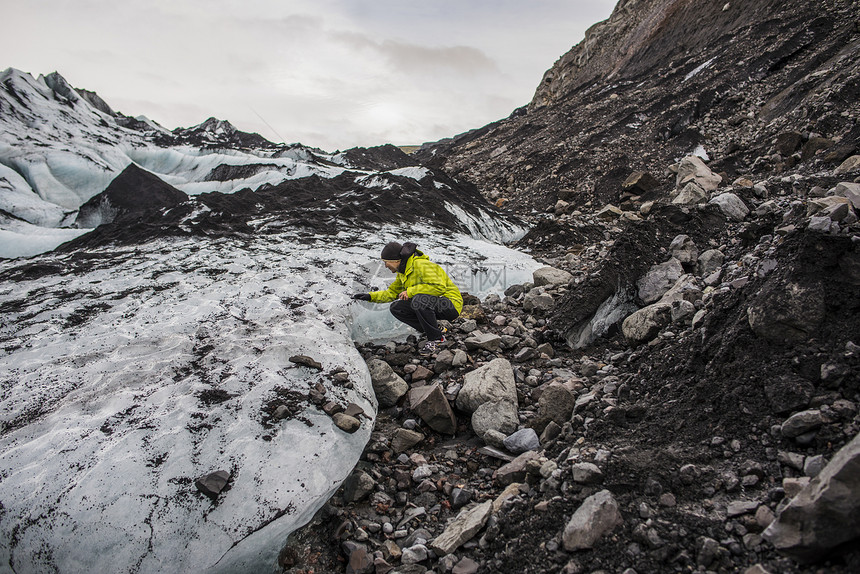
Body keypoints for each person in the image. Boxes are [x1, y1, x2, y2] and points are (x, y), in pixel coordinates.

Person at [352, 241, 462, 355]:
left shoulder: (421, 265)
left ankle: (436, 339)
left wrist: (410, 291)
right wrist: (369, 296)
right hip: (433, 304)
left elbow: (439, 287)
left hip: (450, 304)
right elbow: (392, 292)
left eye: (386, 262)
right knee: (397, 307)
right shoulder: (403, 272)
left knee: (418, 300)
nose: (385, 266)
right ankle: (435, 329)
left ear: (395, 260)